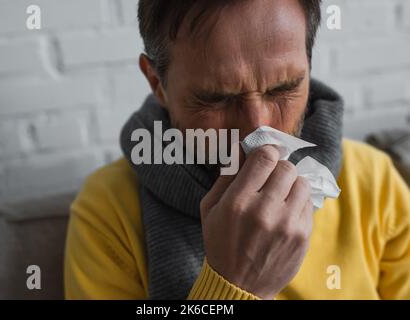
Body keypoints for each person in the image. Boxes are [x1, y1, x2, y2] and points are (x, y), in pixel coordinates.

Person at [64, 0, 410, 300]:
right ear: (158, 84)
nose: (257, 128)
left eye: (283, 88)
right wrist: (235, 285)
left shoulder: (374, 182)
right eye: (217, 98)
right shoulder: (107, 211)